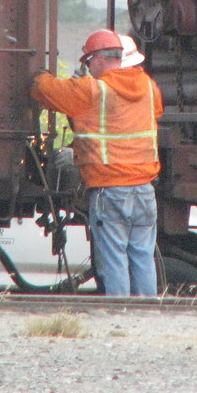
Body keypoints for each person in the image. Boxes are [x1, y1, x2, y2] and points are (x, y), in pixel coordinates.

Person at [30, 30, 163, 296]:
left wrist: (37, 75)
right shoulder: (149, 87)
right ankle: (147, 317)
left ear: (98, 58)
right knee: (142, 256)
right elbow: (146, 114)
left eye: (88, 62)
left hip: (110, 189)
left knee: (113, 259)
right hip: (145, 190)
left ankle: (120, 316)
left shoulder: (93, 90)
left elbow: (45, 91)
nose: (88, 68)